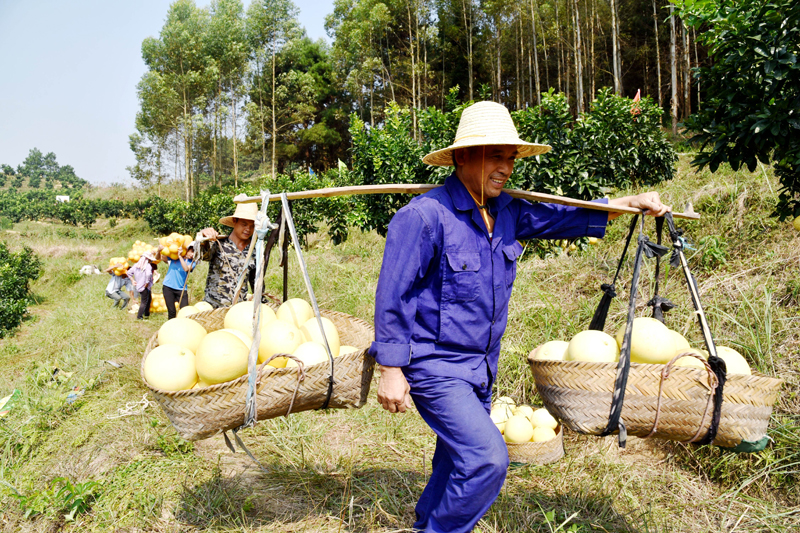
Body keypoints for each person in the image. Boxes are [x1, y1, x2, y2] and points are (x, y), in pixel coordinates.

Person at [370, 101, 670, 533]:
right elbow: (392, 295)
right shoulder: (422, 217)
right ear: (462, 157)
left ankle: (425, 521)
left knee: (456, 456)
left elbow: (567, 214)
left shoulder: (508, 211)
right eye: (497, 156)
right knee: (486, 458)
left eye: (510, 158)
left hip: (481, 366)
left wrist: (630, 204)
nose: (507, 167)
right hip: (436, 366)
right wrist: (392, 368)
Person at [198, 202, 260, 308]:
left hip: (237, 311)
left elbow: (256, 283)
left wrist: (263, 304)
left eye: (252, 226)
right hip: (214, 310)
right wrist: (202, 236)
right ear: (235, 221)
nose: (248, 229)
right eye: (244, 224)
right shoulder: (218, 244)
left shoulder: (254, 251)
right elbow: (201, 254)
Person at [157, 243, 196, 319]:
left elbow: (186, 269)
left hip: (181, 289)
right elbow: (159, 258)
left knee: (185, 311)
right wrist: (159, 251)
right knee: (172, 312)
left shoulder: (192, 262)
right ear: (187, 250)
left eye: (194, 253)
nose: (192, 254)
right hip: (168, 287)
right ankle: (171, 328)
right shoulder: (174, 257)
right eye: (191, 251)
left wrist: (180, 256)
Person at [129, 251, 158, 320]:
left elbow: (129, 273)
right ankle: (139, 317)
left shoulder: (136, 265)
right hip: (145, 287)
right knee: (144, 302)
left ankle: (146, 314)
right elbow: (148, 274)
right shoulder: (147, 266)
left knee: (149, 299)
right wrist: (147, 283)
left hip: (139, 286)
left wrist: (133, 280)